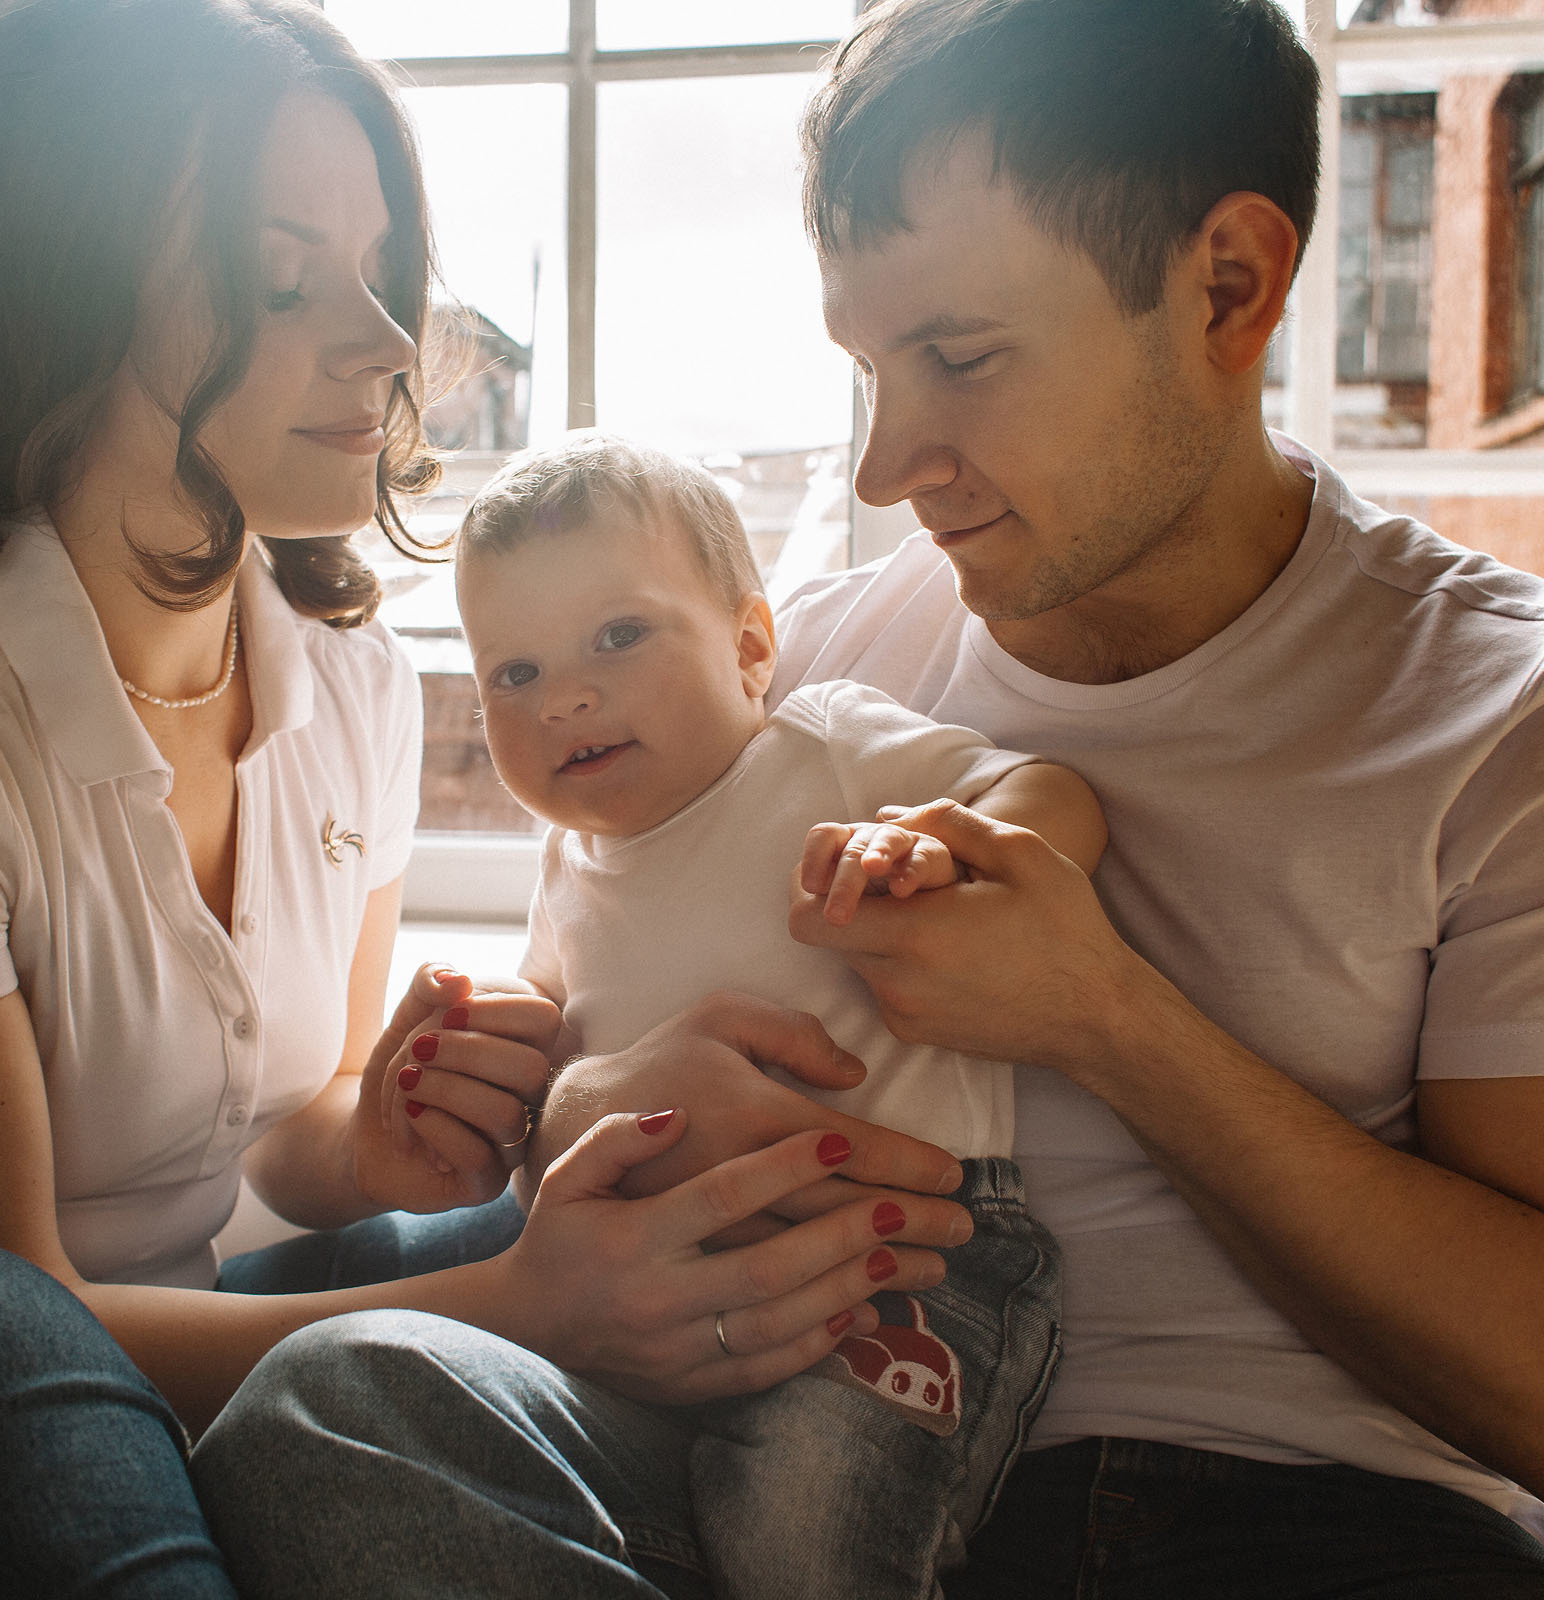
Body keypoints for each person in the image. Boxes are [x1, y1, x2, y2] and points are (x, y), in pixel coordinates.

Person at [190, 0, 1544, 1595]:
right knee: (324, 1418)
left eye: (961, 358)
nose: (885, 465)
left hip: (1302, 1523)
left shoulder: (1534, 712)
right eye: (870, 367)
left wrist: (1110, 1018)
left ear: (1229, 285)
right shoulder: (798, 666)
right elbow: (607, 984)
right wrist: (585, 1103)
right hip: (748, 1454)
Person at [0, 3, 969, 1596]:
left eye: (377, 267)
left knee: (583, 1216)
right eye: (286, 283)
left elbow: (292, 1134)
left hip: (129, 1395)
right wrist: (530, 1307)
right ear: (55, 308)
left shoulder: (342, 675)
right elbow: (11, 1326)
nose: (388, 341)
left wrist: (417, 1128)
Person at [448, 432, 1104, 1599]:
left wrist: (937, 852)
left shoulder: (826, 749)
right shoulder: (564, 865)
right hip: (662, 1291)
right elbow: (549, 1059)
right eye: (516, 673)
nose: (567, 698)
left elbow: (1049, 794)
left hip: (904, 1255)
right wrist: (478, 1048)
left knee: (804, 1530)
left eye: (618, 635)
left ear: (752, 647)